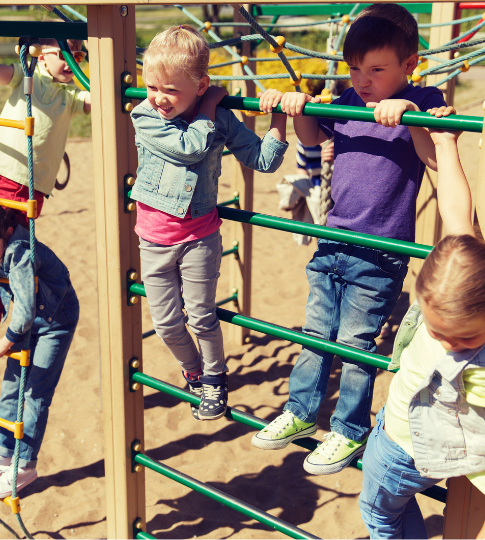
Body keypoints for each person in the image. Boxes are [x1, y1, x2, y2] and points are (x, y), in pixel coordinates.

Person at [251, 4, 450, 476]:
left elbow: (436, 158)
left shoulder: (423, 98)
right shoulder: (346, 100)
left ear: (409, 64)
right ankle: (301, 413)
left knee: (356, 345)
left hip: (381, 252)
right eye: (356, 69)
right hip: (332, 240)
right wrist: (296, 106)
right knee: (316, 336)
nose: (363, 81)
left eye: (376, 70)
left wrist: (411, 115)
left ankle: (348, 430)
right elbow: (310, 136)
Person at [131, 25, 288, 421]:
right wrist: (205, 109)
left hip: (199, 236)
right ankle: (193, 370)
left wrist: (279, 118)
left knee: (201, 316)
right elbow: (189, 149)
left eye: (171, 90)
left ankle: (215, 379)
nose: (159, 98)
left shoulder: (218, 116)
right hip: (153, 239)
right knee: (166, 323)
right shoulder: (145, 115)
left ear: (201, 85)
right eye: (152, 86)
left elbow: (263, 160)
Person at [359, 109, 485, 539]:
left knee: (378, 515)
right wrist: (446, 143)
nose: (449, 343)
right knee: (396, 509)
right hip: (411, 437)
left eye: (465, 336)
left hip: (402, 450)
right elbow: (457, 214)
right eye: (435, 329)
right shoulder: (466, 278)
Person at [0, 11, 90, 342]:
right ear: (40, 53)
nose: (73, 61)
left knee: (11, 257)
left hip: (33, 189)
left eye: (79, 54)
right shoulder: (29, 76)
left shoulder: (71, 96)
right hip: (1, 173)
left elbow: (100, 100)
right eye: (65, 53)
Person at [0, 201, 79, 498]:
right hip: (27, 322)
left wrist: (4, 342)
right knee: (12, 387)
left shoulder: (19, 252)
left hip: (56, 320)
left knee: (36, 392)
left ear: (7, 233)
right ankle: (3, 455)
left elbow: (24, 308)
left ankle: (24, 466)